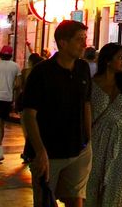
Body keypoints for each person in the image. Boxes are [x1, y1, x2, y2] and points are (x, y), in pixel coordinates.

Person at [21, 20, 93, 207]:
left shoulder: (83, 69)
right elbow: (29, 114)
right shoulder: (42, 73)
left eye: (84, 39)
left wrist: (88, 140)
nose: (84, 44)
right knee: (46, 200)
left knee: (76, 200)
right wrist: (39, 151)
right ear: (63, 42)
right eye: (79, 40)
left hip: (78, 149)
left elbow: (86, 104)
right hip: (49, 151)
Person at [84, 43, 122, 207]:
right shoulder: (93, 83)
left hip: (121, 140)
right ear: (108, 61)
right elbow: (86, 116)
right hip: (97, 140)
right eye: (120, 58)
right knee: (92, 185)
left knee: (116, 187)